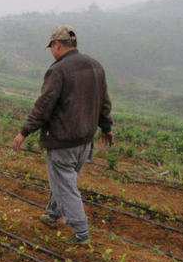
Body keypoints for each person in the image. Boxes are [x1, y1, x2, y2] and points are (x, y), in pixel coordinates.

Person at [12, 25, 114, 244]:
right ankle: (52, 215)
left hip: (63, 140)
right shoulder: (95, 66)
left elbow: (44, 105)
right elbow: (104, 101)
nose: (52, 51)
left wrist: (24, 131)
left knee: (64, 185)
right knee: (64, 181)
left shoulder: (58, 70)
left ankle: (81, 232)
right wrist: (106, 127)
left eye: (52, 47)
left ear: (57, 44)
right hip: (85, 140)